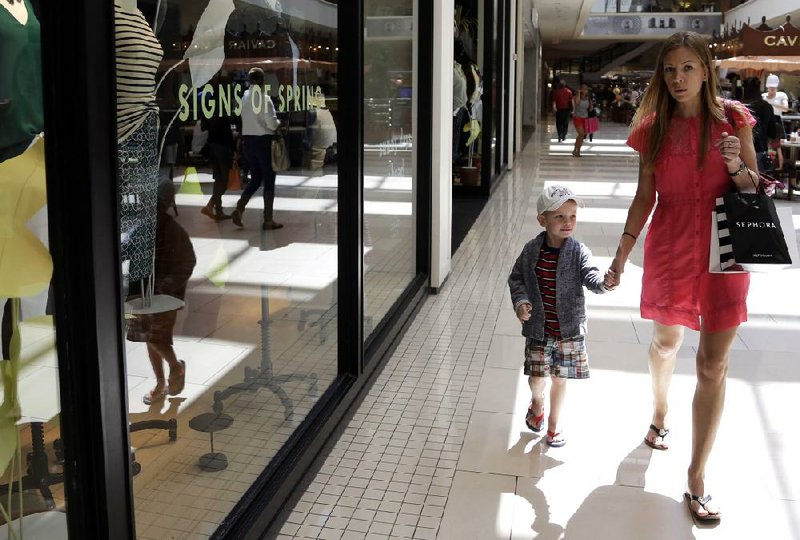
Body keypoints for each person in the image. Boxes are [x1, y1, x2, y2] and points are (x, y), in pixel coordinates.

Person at [604, 31, 759, 522]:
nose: (678, 78)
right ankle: (660, 413)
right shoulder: (651, 129)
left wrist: (736, 164)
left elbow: (755, 187)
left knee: (713, 365)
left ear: (706, 70)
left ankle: (696, 477)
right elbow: (643, 196)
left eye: (688, 68)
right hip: (671, 247)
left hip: (723, 251)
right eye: (670, 70)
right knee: (666, 344)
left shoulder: (735, 121)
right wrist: (621, 254)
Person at [508, 185, 607, 448]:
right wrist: (521, 301)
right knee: (537, 378)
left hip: (569, 331)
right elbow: (516, 278)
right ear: (543, 220)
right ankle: (537, 400)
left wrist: (604, 282)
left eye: (572, 216)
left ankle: (553, 425)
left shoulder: (578, 252)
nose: (567, 222)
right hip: (539, 329)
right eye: (560, 216)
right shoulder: (531, 251)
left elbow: (591, 276)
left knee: (560, 378)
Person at [126, 182, 196, 405]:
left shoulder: (175, 232)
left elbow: (187, 262)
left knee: (156, 337)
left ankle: (175, 367)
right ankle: (160, 382)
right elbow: (125, 248)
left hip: (164, 298)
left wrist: (168, 284)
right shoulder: (141, 229)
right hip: (140, 294)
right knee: (148, 337)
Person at [231, 67, 283, 230]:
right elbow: (271, 123)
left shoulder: (245, 97)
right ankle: (268, 220)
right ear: (262, 81)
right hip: (264, 142)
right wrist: (279, 124)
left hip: (249, 142)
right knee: (269, 178)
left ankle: (240, 207)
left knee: (255, 178)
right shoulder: (264, 98)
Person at [200, 92, 236, 221]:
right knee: (225, 181)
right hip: (223, 146)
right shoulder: (223, 109)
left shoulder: (208, 109)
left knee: (218, 179)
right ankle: (210, 205)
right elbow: (233, 120)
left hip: (212, 146)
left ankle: (219, 211)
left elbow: (203, 127)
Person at [742, 77, 777, 174]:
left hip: (741, 152)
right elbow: (772, 133)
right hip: (761, 151)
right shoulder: (767, 106)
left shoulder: (739, 106)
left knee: (743, 186)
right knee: (760, 184)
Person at [762, 73, 789, 170]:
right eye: (770, 88)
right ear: (767, 88)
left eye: (774, 88)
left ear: (777, 88)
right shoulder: (763, 96)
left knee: (777, 146)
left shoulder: (781, 95)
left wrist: (773, 104)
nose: (772, 91)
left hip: (776, 121)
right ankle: (765, 166)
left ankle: (779, 167)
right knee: (764, 144)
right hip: (765, 120)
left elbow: (786, 108)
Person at [571, 84, 593, 157]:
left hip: (585, 118)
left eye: (586, 89)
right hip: (577, 117)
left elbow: (590, 109)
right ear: (580, 89)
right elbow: (577, 103)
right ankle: (576, 150)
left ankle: (577, 150)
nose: (585, 90)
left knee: (581, 136)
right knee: (581, 134)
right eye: (583, 88)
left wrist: (591, 106)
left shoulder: (588, 98)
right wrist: (579, 94)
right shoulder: (576, 97)